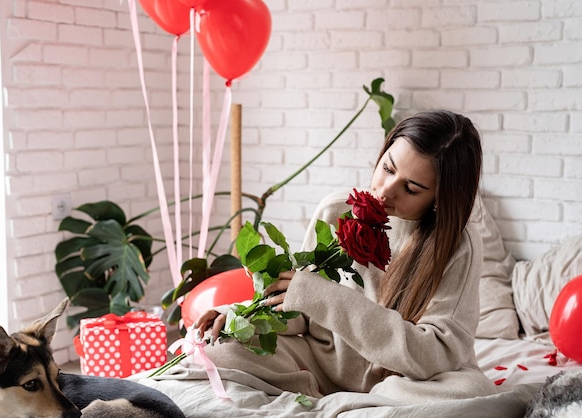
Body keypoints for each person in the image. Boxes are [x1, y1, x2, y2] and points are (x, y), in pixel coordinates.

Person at [193, 109, 497, 402]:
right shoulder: (336, 209)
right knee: (223, 349)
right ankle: (347, 404)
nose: (386, 190)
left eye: (411, 188)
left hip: (405, 381)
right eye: (388, 168)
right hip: (320, 367)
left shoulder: (459, 244)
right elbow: (300, 309)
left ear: (439, 198)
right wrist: (240, 313)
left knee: (470, 391)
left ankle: (351, 406)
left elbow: (435, 355)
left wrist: (326, 298)